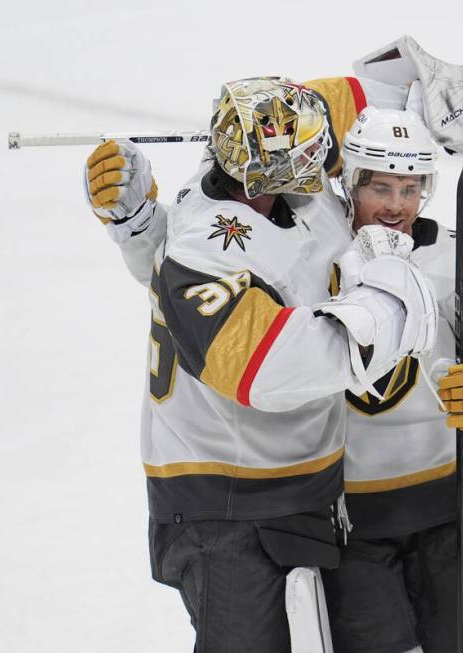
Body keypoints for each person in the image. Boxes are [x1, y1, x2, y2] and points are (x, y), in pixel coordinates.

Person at [87, 76, 439, 652]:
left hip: (305, 489)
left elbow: (326, 100)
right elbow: (267, 370)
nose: (318, 168)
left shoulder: (274, 173)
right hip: (225, 506)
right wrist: (387, 305)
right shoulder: (203, 248)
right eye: (303, 162)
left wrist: (419, 89)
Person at [321, 107, 463, 653]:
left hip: (445, 504)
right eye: (380, 187)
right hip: (345, 511)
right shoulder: (312, 251)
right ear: (350, 182)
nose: (397, 206)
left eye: (410, 188)